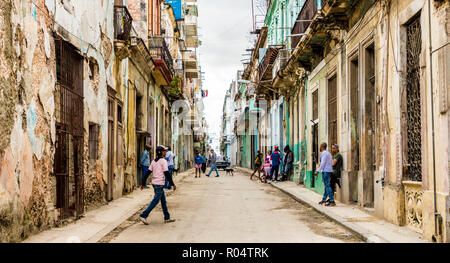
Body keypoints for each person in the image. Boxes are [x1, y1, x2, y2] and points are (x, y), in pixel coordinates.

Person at [139, 146, 177, 225]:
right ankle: (143, 215)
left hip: (155, 183)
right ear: (160, 152)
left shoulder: (153, 161)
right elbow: (167, 174)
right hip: (159, 184)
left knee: (163, 201)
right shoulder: (163, 161)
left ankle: (167, 217)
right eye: (164, 151)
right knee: (155, 200)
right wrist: (172, 184)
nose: (165, 152)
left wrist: (143, 183)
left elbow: (148, 172)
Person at [315, 142, 335, 206]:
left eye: (320, 146)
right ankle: (324, 199)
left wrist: (318, 171)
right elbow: (332, 163)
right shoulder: (328, 153)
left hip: (325, 171)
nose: (319, 148)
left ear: (321, 147)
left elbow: (322, 163)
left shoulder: (324, 154)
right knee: (326, 185)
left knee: (327, 186)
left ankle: (332, 200)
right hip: (329, 171)